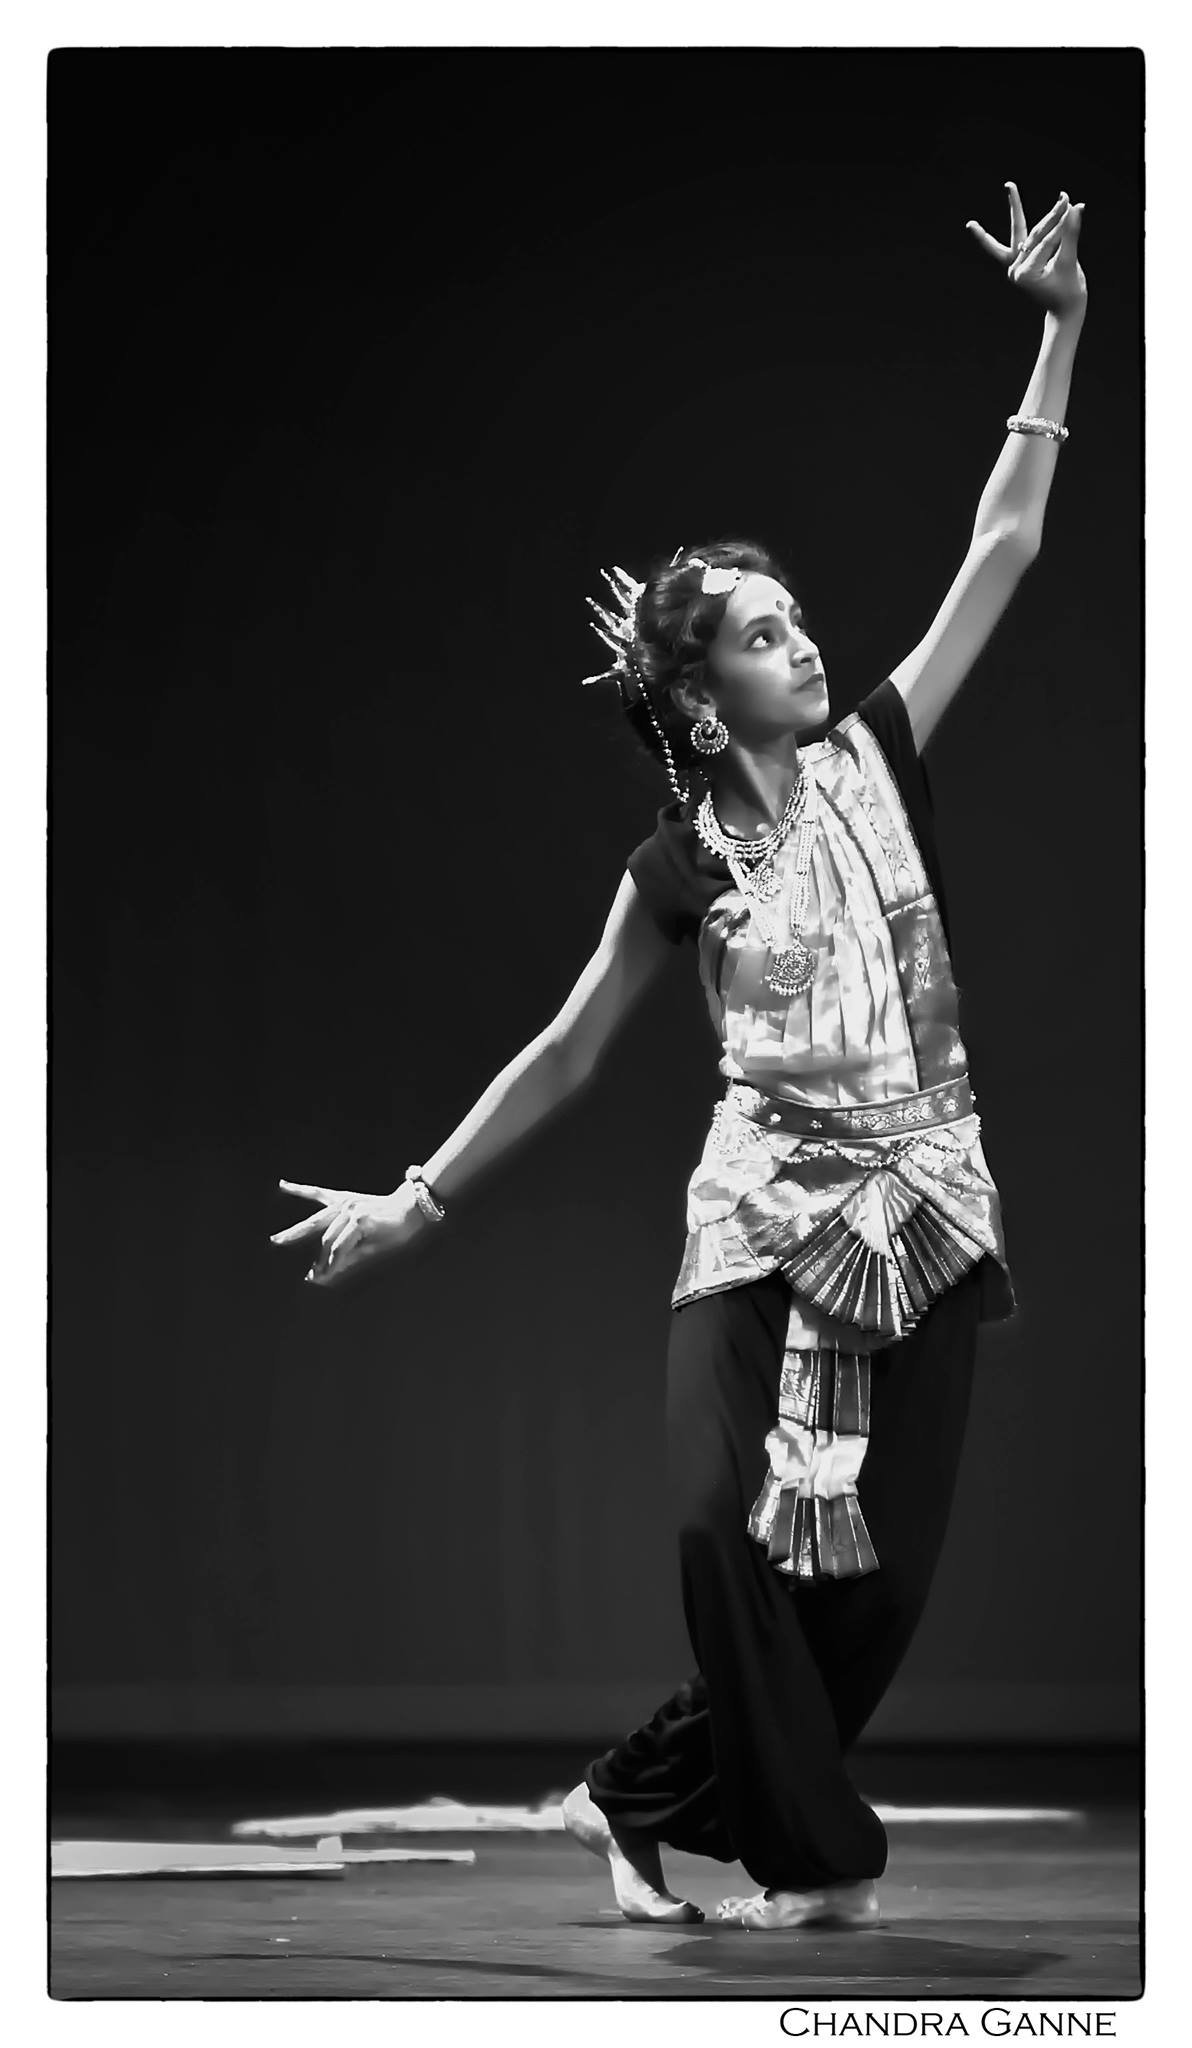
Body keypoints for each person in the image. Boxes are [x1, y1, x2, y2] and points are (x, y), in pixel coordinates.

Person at [270, 182, 1087, 1931]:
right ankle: (813, 1854)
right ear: (707, 690)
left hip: (927, 1207)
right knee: (730, 1533)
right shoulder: (676, 867)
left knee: (871, 1587)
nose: (808, 638)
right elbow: (570, 1051)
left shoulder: (878, 754)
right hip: (759, 1221)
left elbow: (1004, 547)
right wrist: (418, 1199)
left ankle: (631, 1801)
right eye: (766, 630)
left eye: (800, 616)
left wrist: (1062, 328)